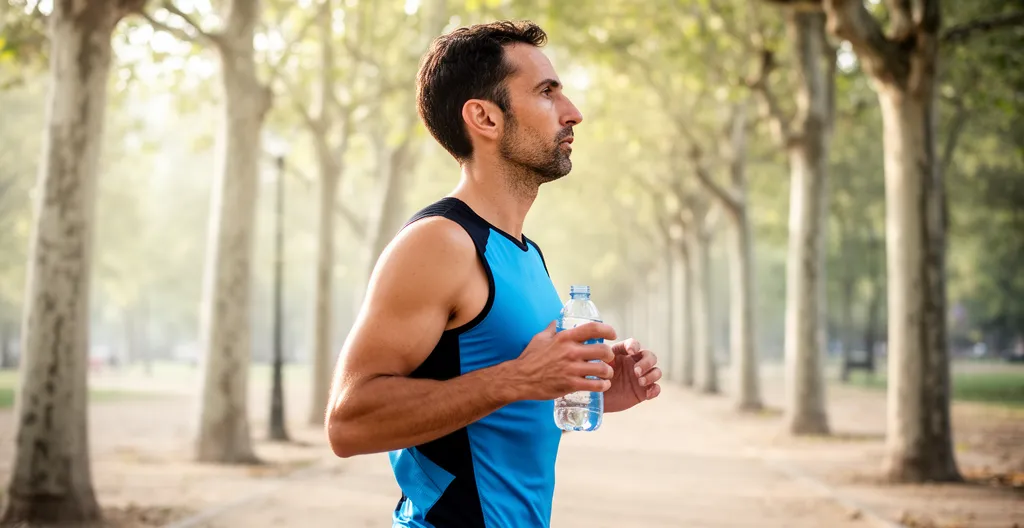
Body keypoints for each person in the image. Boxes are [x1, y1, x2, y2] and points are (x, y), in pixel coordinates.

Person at [324, 20, 662, 528]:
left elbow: (492, 413)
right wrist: (519, 378)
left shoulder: (526, 252)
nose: (573, 113)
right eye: (547, 93)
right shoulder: (439, 243)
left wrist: (583, 391)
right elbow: (347, 423)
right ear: (484, 117)